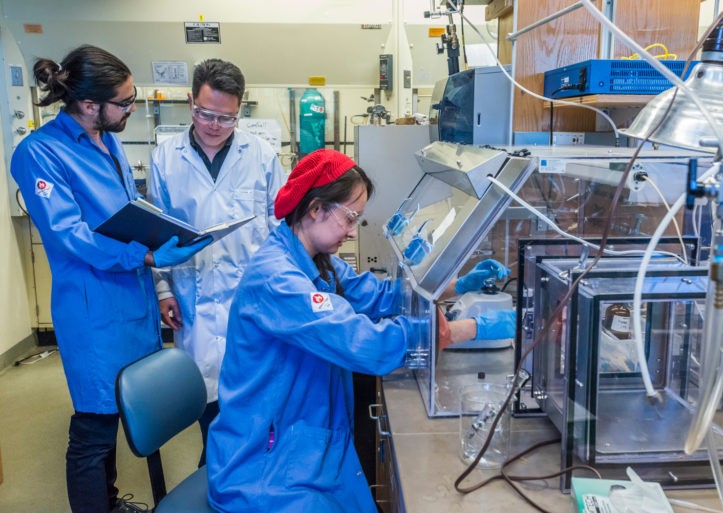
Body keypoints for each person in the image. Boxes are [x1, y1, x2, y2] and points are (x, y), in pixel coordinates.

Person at [206, 149, 515, 513]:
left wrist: (458, 285)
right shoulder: (278, 278)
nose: (354, 231)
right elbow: (361, 343)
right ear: (316, 208)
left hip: (299, 435)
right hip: (263, 462)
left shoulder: (313, 259)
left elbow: (378, 295)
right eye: (350, 218)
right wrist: (469, 328)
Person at [10, 45, 210, 513]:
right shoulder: (39, 153)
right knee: (95, 428)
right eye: (124, 102)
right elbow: (69, 235)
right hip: (93, 311)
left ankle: (108, 501)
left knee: (132, 411)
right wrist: (143, 255)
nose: (131, 108)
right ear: (87, 103)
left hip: (133, 304)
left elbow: (125, 211)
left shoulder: (110, 141)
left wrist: (163, 234)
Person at [147, 58, 285, 466]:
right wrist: (162, 290)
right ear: (191, 101)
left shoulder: (260, 155)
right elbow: (156, 231)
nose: (213, 124)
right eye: (205, 113)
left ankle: (243, 483)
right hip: (196, 301)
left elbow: (279, 226)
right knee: (207, 405)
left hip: (252, 300)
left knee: (254, 407)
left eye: (226, 118)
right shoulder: (166, 158)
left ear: (240, 111)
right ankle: (217, 479)